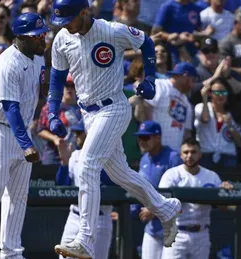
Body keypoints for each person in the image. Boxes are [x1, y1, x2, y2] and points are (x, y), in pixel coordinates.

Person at [48, 1, 182, 258]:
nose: (65, 25)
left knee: (87, 164)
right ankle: (165, 207)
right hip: (87, 113)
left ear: (84, 12)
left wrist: (151, 77)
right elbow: (56, 77)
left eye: (69, 19)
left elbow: (147, 42)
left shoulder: (111, 30)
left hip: (113, 107)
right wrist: (53, 110)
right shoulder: (62, 39)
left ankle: (85, 238)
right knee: (120, 174)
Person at [0, 13, 50, 259]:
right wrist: (27, 144)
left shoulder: (38, 57)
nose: (42, 38)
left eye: (43, 33)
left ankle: (12, 252)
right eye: (37, 35)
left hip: (20, 128)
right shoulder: (7, 63)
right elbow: (10, 108)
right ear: (21, 38)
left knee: (18, 195)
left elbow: (40, 88)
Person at [158, 139, 233, 258]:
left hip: (201, 233)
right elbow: (161, 204)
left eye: (193, 152)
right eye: (186, 152)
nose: (189, 156)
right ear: (180, 155)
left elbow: (223, 207)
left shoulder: (211, 176)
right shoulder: (171, 175)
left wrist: (224, 192)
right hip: (176, 233)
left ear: (200, 154)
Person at [56, 120, 115, 259]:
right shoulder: (75, 155)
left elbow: (111, 184)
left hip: (98, 219)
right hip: (75, 216)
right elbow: (62, 187)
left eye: (80, 133)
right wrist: (64, 163)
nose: (76, 136)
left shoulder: (107, 155)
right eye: (76, 133)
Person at [130, 120, 182, 259]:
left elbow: (178, 193)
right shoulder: (144, 159)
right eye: (140, 137)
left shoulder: (173, 158)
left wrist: (154, 209)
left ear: (158, 138)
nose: (142, 141)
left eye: (146, 137)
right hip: (151, 227)